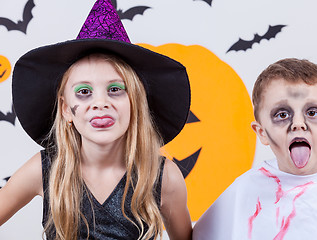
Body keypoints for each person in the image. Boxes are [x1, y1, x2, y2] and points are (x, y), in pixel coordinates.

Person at [0, 0, 192, 239]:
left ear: (136, 104)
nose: (100, 103)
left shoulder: (162, 177)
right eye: (84, 92)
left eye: (115, 89)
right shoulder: (46, 170)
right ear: (66, 110)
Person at [193, 58, 317, 239]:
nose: (297, 124)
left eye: (312, 112)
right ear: (261, 132)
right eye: (282, 114)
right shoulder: (242, 190)